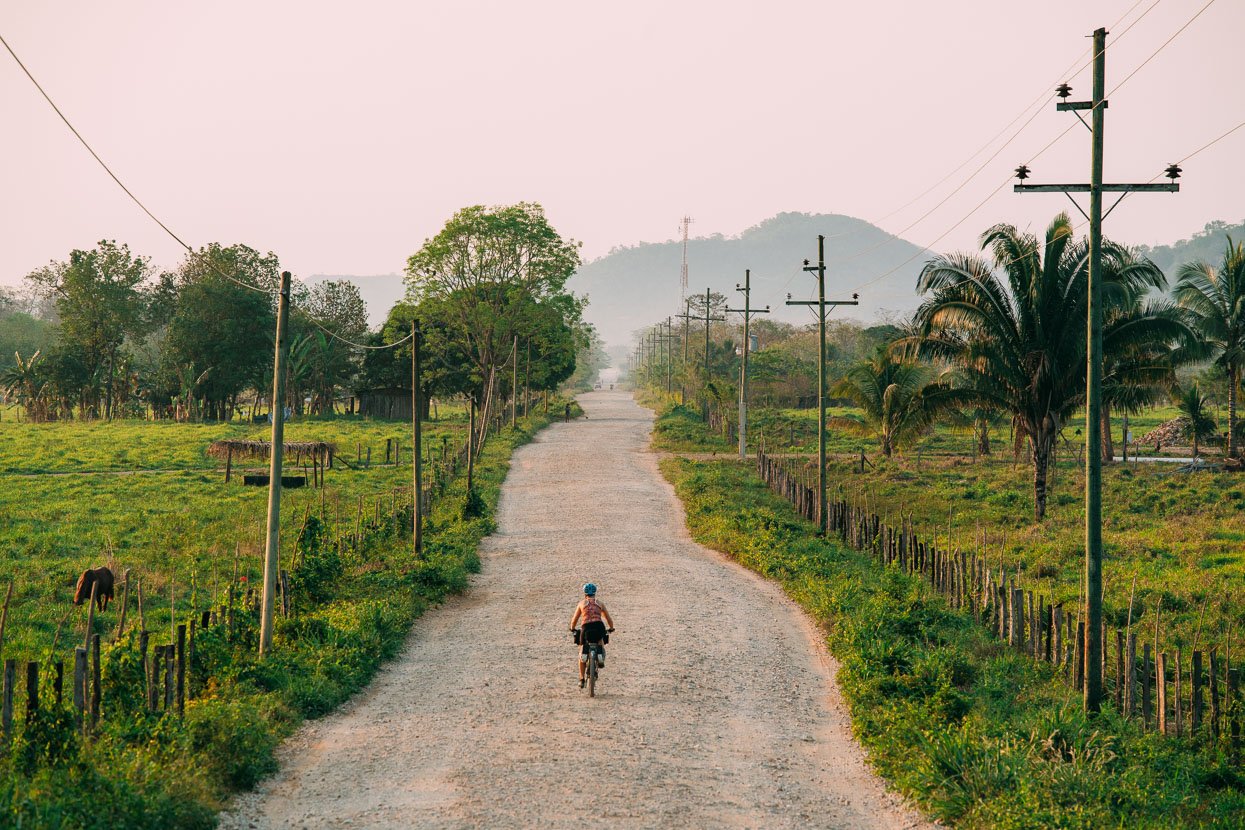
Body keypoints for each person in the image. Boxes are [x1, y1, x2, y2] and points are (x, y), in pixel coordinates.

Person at [569, 583, 614, 688]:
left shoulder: (582, 603)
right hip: (599, 626)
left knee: (582, 651)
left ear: (585, 594)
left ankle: (581, 678)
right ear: (595, 593)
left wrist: (572, 628)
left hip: (586, 627)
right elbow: (608, 618)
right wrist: (611, 628)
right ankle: (600, 656)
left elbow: (574, 619)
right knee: (600, 639)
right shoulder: (600, 603)